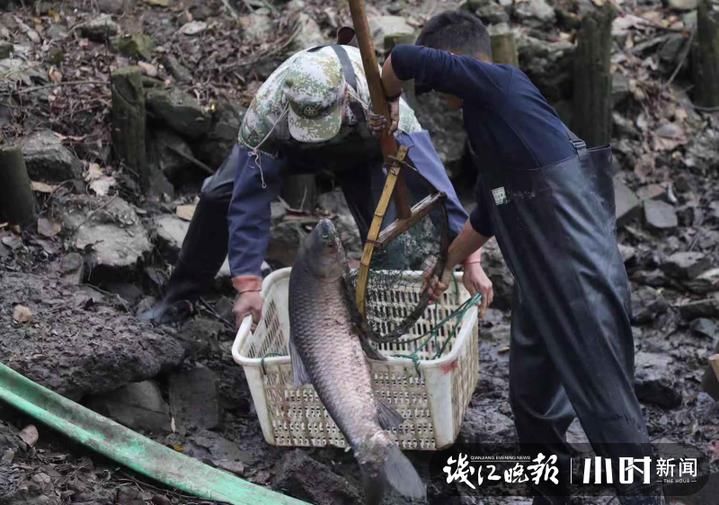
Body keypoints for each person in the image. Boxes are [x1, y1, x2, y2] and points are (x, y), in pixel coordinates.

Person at [380, 10, 665, 505]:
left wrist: (384, 95)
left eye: (441, 87)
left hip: (579, 280)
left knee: (609, 413)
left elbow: (403, 58)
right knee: (533, 405)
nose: (444, 103)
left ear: (454, 62)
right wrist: (448, 262)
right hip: (539, 285)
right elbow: (492, 210)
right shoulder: (493, 124)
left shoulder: (503, 87)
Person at [140, 30, 492, 328]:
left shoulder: (377, 91)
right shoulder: (265, 114)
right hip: (286, 148)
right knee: (220, 196)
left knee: (388, 236)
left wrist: (471, 258)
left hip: (361, 149)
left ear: (343, 100)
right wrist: (248, 284)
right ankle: (179, 298)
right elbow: (250, 200)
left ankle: (386, 317)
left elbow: (433, 178)